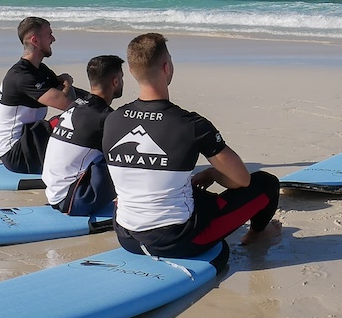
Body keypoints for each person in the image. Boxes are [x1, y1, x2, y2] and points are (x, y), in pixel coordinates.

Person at [101, 32, 280, 266]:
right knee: (266, 184)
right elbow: (242, 180)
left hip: (126, 235)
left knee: (183, 190)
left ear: (132, 72)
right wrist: (213, 174)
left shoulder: (113, 118)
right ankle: (257, 233)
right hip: (178, 241)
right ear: (167, 67)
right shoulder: (191, 124)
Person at [42, 55, 124, 217]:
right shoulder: (104, 117)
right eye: (121, 78)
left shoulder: (76, 106)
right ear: (115, 82)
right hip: (74, 200)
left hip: (54, 191)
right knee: (131, 157)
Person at [0, 16, 77, 175]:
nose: (53, 39)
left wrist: (99, 106)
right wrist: (67, 82)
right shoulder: (22, 76)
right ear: (35, 41)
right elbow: (67, 103)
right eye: (49, 35)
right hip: (15, 154)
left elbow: (73, 99)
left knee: (82, 117)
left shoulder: (40, 70)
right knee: (74, 121)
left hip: (30, 141)